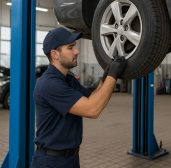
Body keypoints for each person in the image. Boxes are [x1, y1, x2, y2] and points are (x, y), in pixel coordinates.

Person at [31, 27, 127, 168]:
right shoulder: (49, 84)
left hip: (70, 159)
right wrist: (113, 76)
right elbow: (92, 109)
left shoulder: (68, 79)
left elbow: (92, 98)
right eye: (70, 47)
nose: (76, 51)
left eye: (74, 46)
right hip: (51, 162)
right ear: (55, 54)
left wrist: (105, 77)